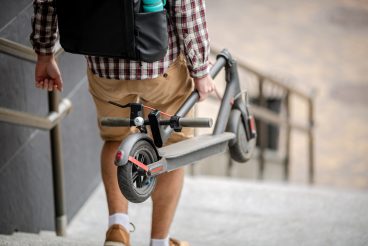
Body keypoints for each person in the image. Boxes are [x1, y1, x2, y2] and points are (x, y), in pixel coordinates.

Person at [30, 0, 214, 245]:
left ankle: (117, 229)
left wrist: (44, 53)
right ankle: (159, 241)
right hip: (159, 66)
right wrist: (200, 69)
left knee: (115, 137)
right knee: (173, 146)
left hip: (104, 66)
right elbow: (186, 7)